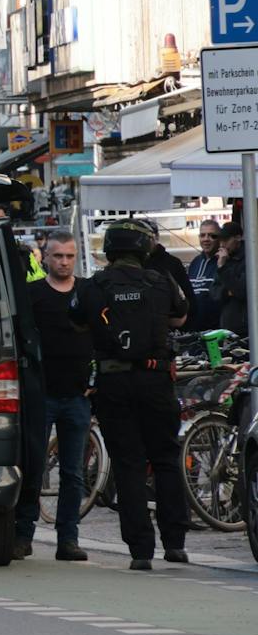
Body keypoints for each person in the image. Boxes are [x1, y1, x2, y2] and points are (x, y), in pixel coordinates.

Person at [77, 220, 190, 571]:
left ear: (109, 249)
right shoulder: (161, 281)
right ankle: (175, 543)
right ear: (144, 249)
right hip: (156, 380)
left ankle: (140, 550)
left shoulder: (94, 285)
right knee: (166, 458)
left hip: (114, 382)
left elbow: (77, 321)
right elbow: (180, 318)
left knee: (128, 463)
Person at [13, 229, 92, 562]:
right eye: (58, 256)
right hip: (41, 394)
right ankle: (23, 535)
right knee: (33, 467)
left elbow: (102, 335)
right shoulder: (32, 295)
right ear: (45, 257)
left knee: (73, 473)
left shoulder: (87, 292)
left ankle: (68, 539)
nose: (64, 262)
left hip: (77, 395)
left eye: (70, 256)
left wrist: (94, 379)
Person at [213, 219, 249, 337]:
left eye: (226, 240)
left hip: (246, 328)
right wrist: (227, 292)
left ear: (238, 238)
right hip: (227, 327)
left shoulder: (249, 258)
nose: (222, 245)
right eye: (220, 241)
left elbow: (242, 291)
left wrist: (223, 268)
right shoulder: (224, 260)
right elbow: (213, 292)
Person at [186, 220, 222, 331]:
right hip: (195, 331)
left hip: (218, 331)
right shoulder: (194, 263)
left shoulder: (224, 262)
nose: (206, 239)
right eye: (202, 235)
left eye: (212, 236)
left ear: (220, 238)